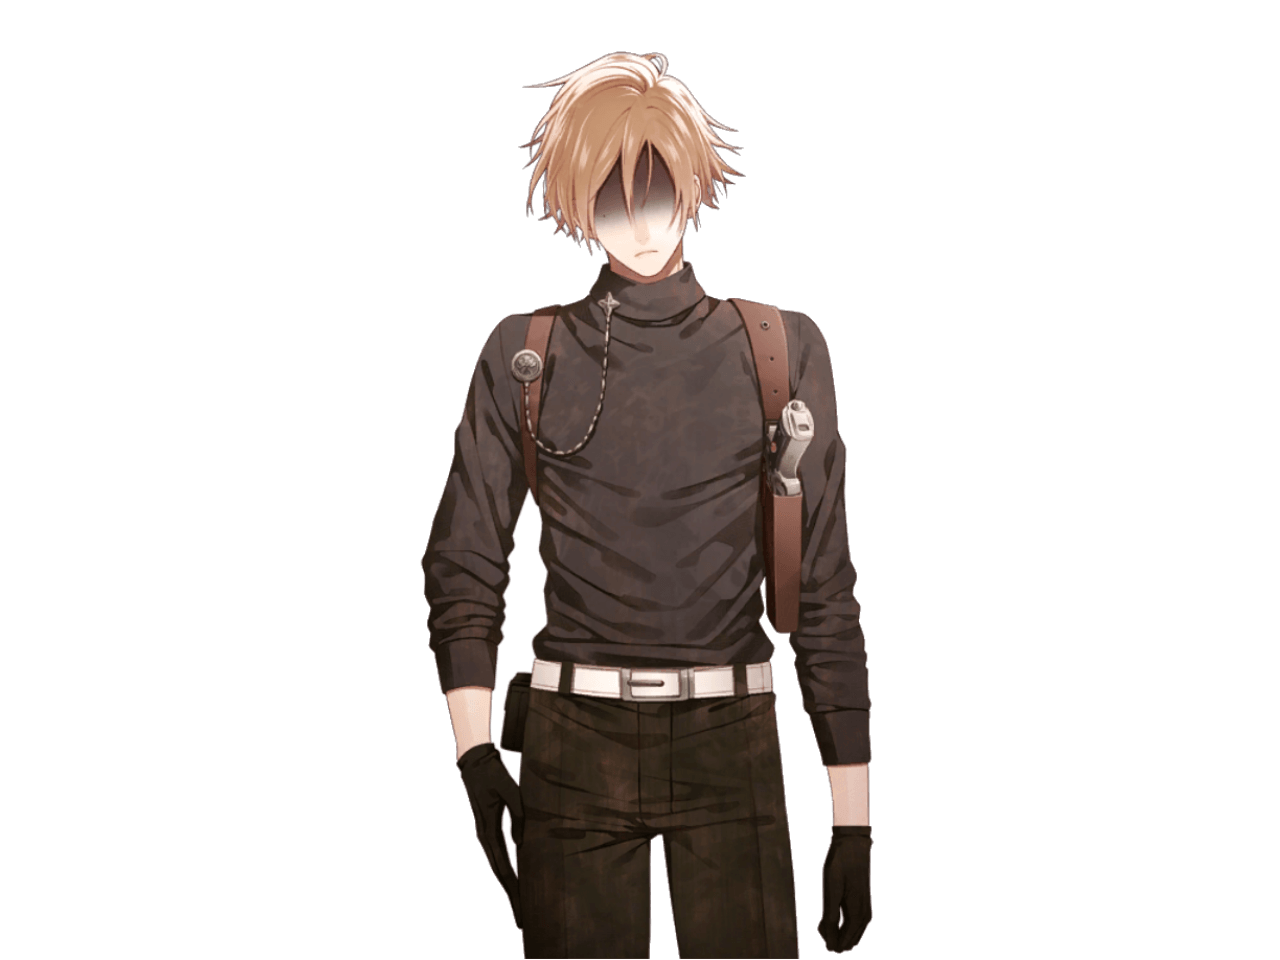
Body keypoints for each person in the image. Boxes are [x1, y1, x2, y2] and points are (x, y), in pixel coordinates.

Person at [422, 52, 871, 957]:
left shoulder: (780, 349)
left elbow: (824, 590)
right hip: (568, 745)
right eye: (609, 196)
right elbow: (463, 562)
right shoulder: (524, 355)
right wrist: (474, 756)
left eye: (657, 188)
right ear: (577, 204)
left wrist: (853, 819)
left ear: (696, 185)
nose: (638, 219)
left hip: (733, 736)